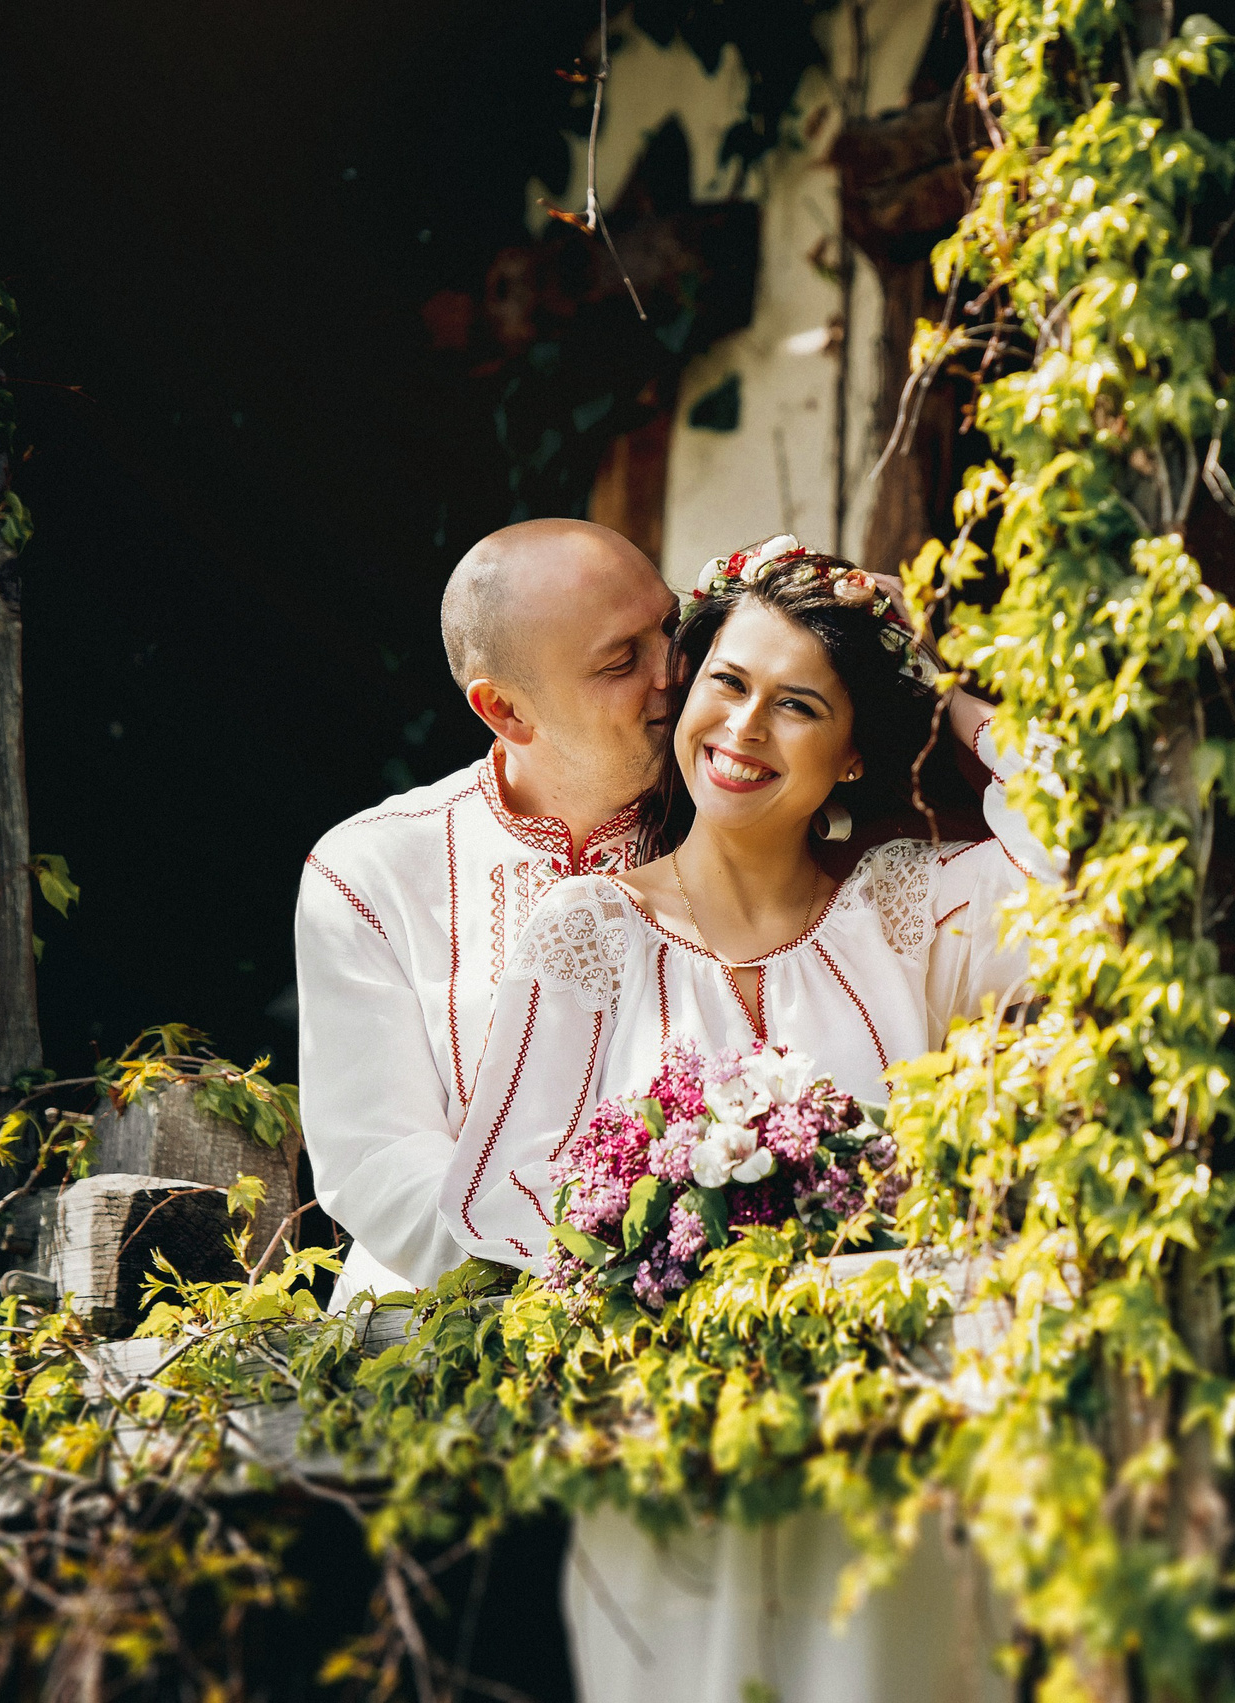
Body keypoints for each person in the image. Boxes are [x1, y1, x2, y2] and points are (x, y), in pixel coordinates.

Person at [439, 534, 1054, 1702]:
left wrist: (941, 679)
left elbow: (1090, 851)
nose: (745, 727)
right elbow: (492, 1193)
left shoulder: (907, 912)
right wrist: (661, 1252)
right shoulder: (589, 929)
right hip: (674, 1465)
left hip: (887, 1459)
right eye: (726, 682)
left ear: (854, 745)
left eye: (800, 704)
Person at [296, 518, 682, 1304]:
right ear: (504, 709)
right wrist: (568, 1281)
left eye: (671, 626)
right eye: (622, 661)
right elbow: (379, 1157)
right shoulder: (369, 869)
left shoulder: (745, 823)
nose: (674, 671)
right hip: (435, 1336)